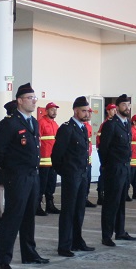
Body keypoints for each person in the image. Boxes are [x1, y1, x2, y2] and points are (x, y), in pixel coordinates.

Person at [0, 82, 48, 269]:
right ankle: (3, 258)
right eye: (30, 98)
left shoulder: (33, 122)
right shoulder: (9, 123)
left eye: (34, 98)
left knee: (28, 217)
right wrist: (11, 169)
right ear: (19, 101)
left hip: (32, 176)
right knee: (12, 217)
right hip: (17, 176)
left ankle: (29, 253)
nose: (34, 101)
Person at [51, 96, 95, 257]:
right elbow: (56, 155)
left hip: (82, 174)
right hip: (72, 175)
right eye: (83, 111)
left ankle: (77, 241)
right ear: (76, 111)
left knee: (79, 209)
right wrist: (66, 172)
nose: (86, 113)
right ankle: (64, 245)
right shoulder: (67, 128)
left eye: (87, 111)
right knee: (68, 210)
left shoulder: (83, 128)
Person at [97, 94, 136, 246]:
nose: (127, 108)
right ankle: (106, 235)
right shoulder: (111, 124)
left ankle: (120, 231)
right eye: (124, 105)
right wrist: (107, 166)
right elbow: (104, 148)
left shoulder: (126, 123)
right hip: (114, 168)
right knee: (111, 202)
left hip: (125, 167)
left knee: (121, 201)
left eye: (129, 105)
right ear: (118, 106)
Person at [36, 101, 60, 216]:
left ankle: (50, 205)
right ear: (46, 111)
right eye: (52, 109)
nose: (54, 112)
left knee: (51, 184)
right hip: (43, 160)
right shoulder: (41, 123)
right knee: (42, 184)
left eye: (56, 110)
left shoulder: (55, 124)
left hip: (53, 160)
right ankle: (37, 206)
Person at [0, 100, 17, 221]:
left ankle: (7, 211)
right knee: (1, 185)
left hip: (13, 162)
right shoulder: (6, 123)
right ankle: (1, 212)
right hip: (5, 160)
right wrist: (2, 162)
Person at [95, 102, 117, 206]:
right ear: (108, 111)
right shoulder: (105, 124)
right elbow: (100, 141)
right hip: (106, 154)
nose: (115, 111)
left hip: (113, 155)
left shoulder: (116, 123)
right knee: (103, 174)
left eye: (115, 109)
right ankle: (101, 194)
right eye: (112, 109)